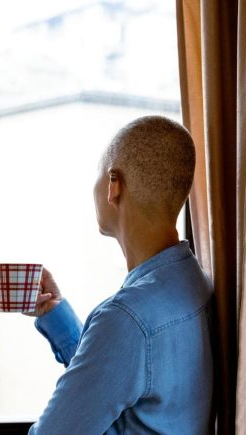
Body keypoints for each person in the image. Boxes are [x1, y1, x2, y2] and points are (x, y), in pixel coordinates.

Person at [26, 116, 213, 434]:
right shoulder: (197, 282)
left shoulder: (126, 318)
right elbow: (118, 378)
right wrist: (56, 314)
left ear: (114, 185)